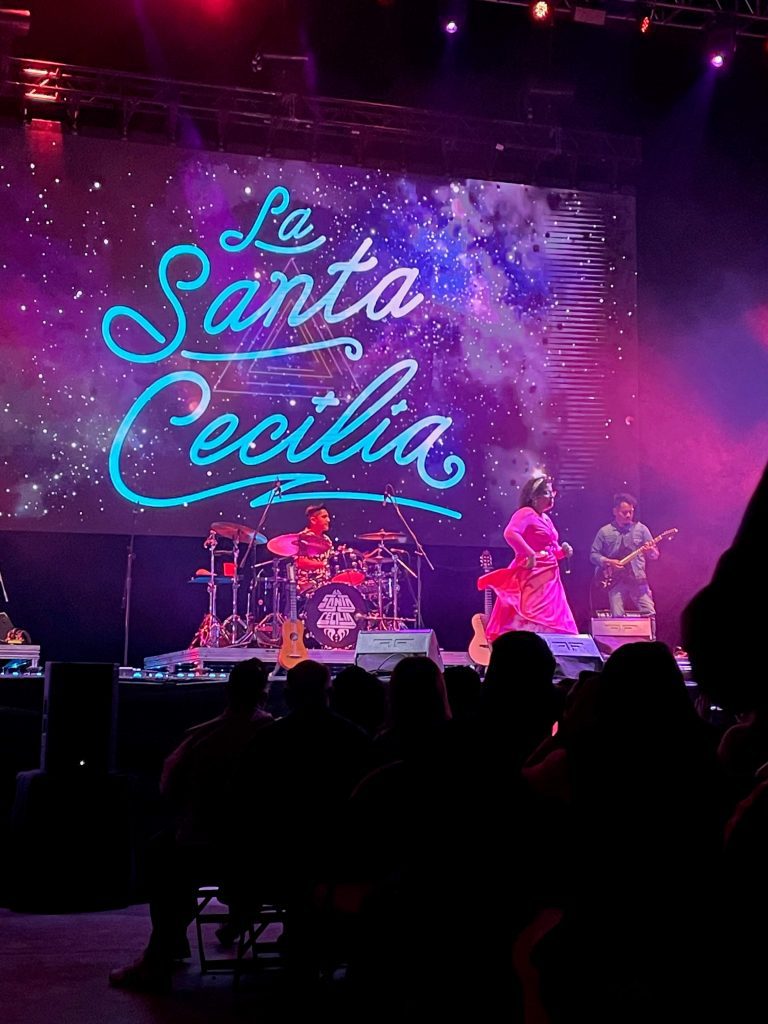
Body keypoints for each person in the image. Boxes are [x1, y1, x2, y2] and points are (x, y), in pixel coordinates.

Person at [479, 476, 577, 642]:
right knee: (533, 612)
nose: (552, 497)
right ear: (534, 496)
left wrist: (563, 552)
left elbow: (551, 549)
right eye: (547, 493)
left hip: (550, 577)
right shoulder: (525, 513)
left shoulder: (546, 518)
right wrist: (529, 554)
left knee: (552, 614)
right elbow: (510, 533)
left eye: (552, 493)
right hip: (533, 574)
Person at [590, 493, 659, 635]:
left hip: (638, 579)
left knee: (649, 612)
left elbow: (655, 555)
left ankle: (651, 643)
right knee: (617, 617)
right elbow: (593, 555)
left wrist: (651, 549)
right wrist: (608, 562)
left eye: (631, 512)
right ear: (615, 511)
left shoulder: (641, 529)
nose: (628, 515)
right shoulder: (605, 531)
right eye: (624, 512)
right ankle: (619, 647)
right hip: (616, 581)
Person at [295, 504, 334, 593]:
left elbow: (332, 563)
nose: (328, 520)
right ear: (313, 520)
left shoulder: (327, 540)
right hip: (307, 587)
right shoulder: (304, 537)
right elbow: (300, 562)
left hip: (325, 584)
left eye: (328, 517)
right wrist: (323, 564)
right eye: (324, 517)